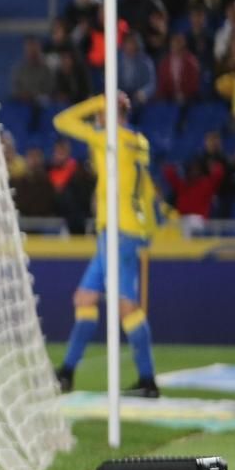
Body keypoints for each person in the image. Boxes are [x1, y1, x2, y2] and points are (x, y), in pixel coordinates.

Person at [51, 94, 160, 398]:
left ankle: (148, 381)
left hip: (119, 232)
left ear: (107, 115)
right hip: (118, 230)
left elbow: (61, 121)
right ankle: (67, 373)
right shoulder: (140, 141)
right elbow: (146, 187)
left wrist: (99, 99)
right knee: (84, 298)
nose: (96, 118)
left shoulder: (107, 140)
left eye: (100, 113)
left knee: (128, 307)